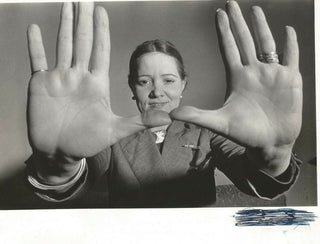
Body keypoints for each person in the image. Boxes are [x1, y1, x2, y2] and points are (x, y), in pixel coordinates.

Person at [25, 1, 302, 207]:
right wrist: (57, 164)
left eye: (168, 80)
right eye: (144, 81)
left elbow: (258, 179)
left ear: (183, 84)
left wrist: (275, 154)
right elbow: (75, 180)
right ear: (132, 88)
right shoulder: (109, 137)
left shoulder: (206, 133)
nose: (157, 92)